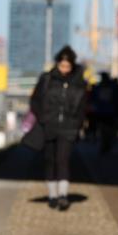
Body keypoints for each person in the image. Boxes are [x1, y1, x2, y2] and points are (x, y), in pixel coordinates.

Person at [29, 46, 87, 210]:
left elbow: (83, 106)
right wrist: (42, 118)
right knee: (49, 160)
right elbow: (35, 100)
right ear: (57, 64)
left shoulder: (80, 82)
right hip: (48, 125)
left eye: (68, 67)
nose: (65, 70)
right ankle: (52, 195)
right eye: (62, 66)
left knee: (63, 159)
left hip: (69, 127)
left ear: (73, 65)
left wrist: (78, 125)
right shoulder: (47, 79)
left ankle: (63, 195)